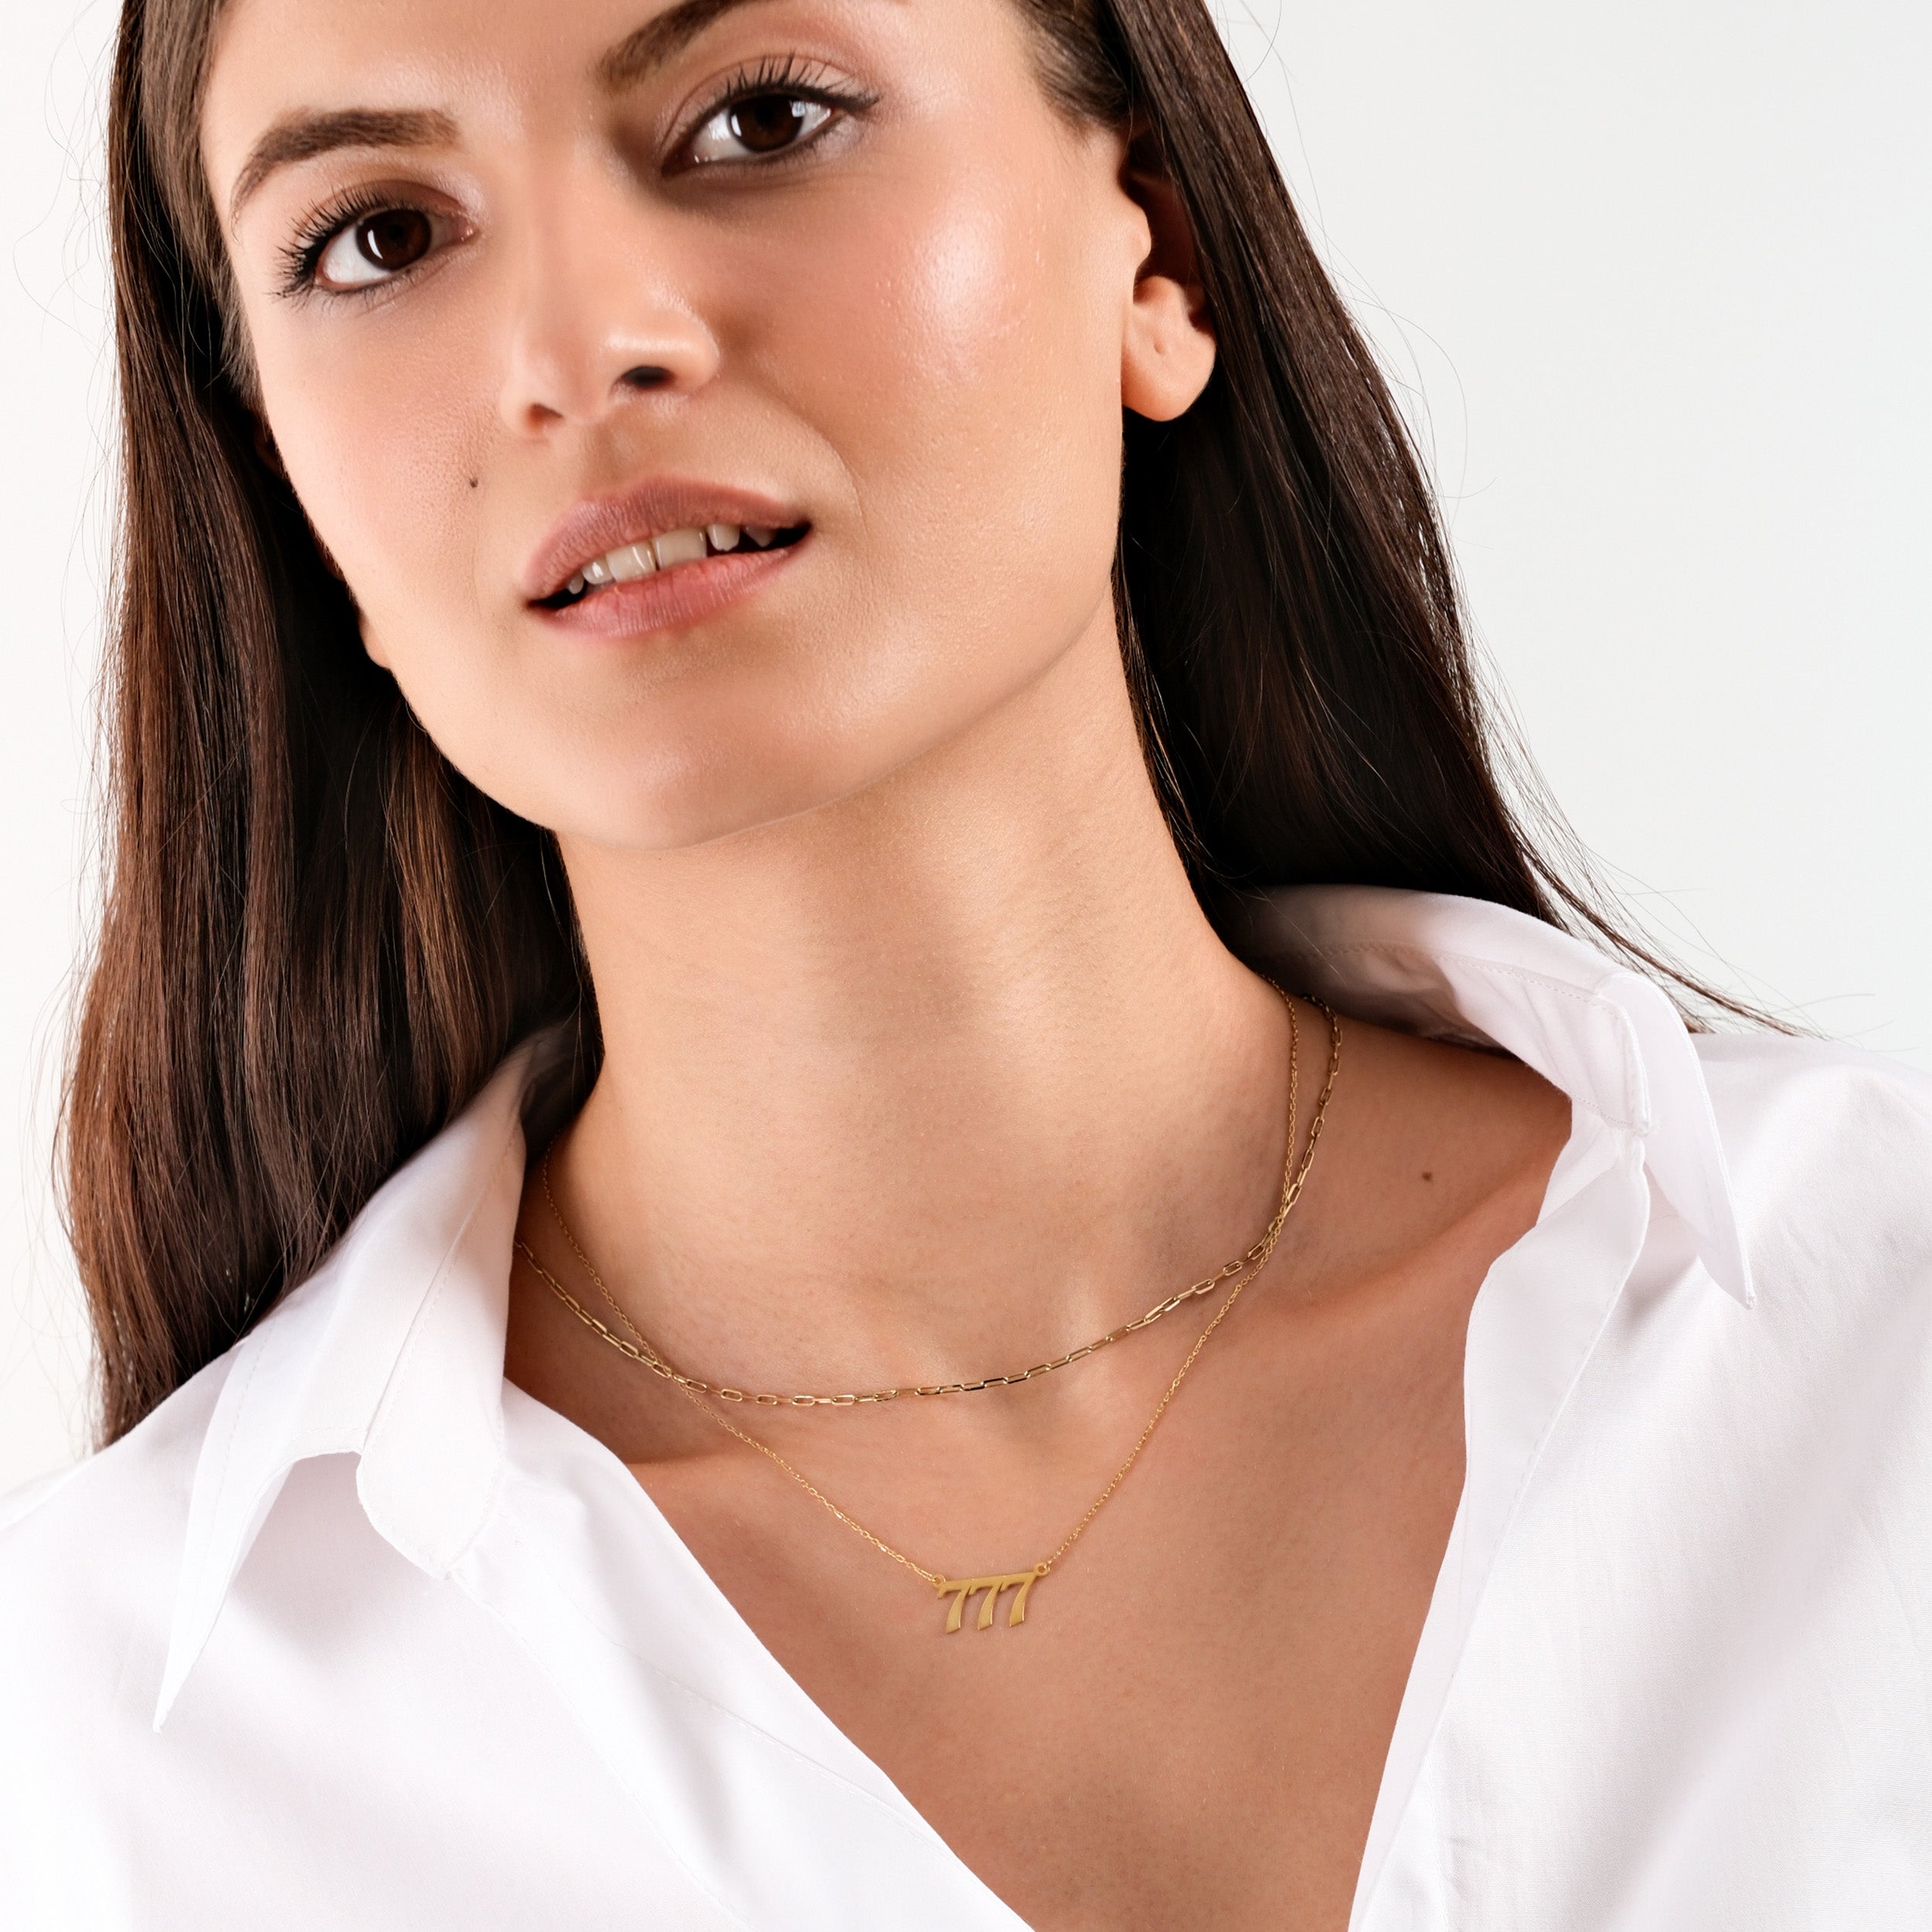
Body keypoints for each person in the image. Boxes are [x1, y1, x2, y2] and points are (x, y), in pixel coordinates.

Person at [3, 0, 1927, 1925]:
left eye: (758, 117)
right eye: (379, 238)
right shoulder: (102, 1761)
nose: (582, 347)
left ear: (1150, 249)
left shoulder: (1868, 1339)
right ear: (284, 480)